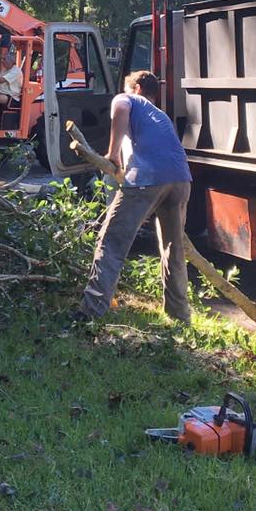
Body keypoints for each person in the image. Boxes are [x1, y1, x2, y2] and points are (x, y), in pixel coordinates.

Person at [78, 69, 192, 323]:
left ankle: (90, 313)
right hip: (181, 180)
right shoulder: (160, 115)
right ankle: (180, 316)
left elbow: (120, 109)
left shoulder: (126, 98)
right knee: (173, 250)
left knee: (111, 243)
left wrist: (113, 153)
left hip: (147, 178)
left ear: (137, 88)